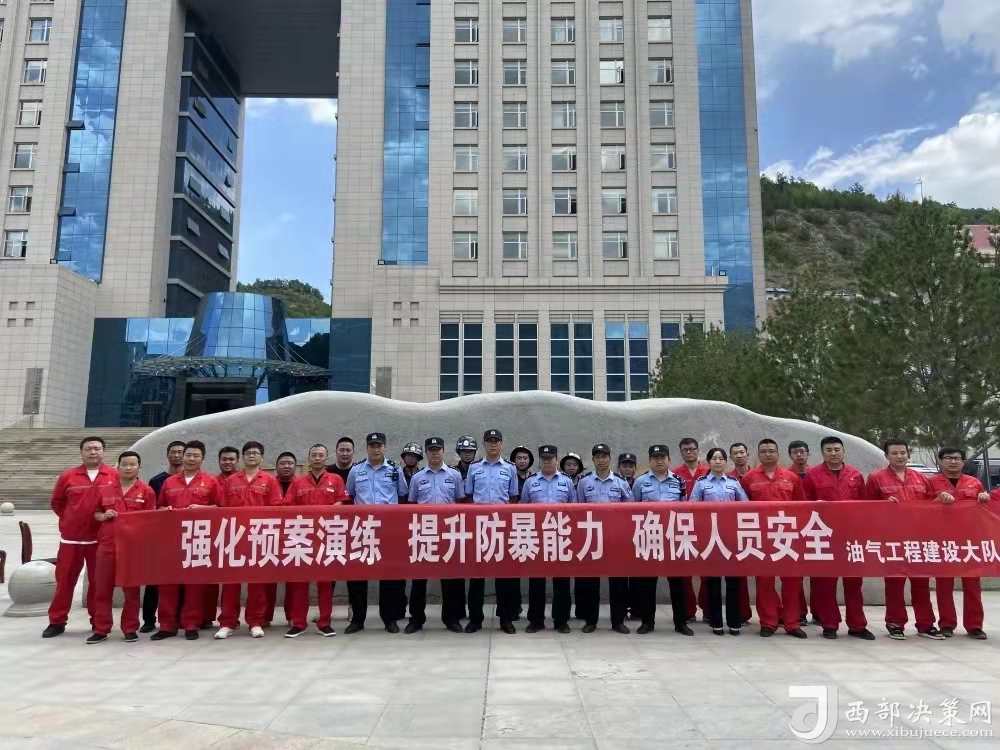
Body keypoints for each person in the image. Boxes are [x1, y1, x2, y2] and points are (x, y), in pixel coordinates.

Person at [865, 439, 944, 641]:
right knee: (894, 583)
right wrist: (883, 505)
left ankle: (926, 624)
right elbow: (867, 507)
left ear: (908, 454)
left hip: (918, 539)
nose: (899, 456)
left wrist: (941, 499)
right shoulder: (876, 478)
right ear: (886, 456)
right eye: (895, 453)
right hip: (892, 539)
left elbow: (931, 506)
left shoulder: (921, 478)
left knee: (921, 583)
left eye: (903, 453)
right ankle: (895, 624)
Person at [42, 437, 118, 639]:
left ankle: (97, 622)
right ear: (81, 452)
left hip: (100, 540)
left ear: (104, 451)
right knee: (64, 583)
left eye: (97, 448)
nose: (93, 452)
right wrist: (70, 519)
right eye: (88, 449)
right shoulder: (68, 476)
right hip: (71, 540)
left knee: (98, 584)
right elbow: (57, 502)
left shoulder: (114, 475)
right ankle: (56, 622)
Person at [802, 436, 872, 640]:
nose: (833, 453)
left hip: (851, 536)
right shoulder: (813, 475)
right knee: (826, 583)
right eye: (829, 450)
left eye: (837, 449)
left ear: (843, 451)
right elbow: (804, 505)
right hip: (825, 536)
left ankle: (857, 625)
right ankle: (829, 624)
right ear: (822, 453)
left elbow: (864, 505)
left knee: (854, 583)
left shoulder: (855, 475)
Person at [214, 442, 284, 640]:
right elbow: (222, 509)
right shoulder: (231, 480)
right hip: (234, 537)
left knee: (257, 583)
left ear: (262, 457)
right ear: (243, 457)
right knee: (231, 583)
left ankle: (255, 622)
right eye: (248, 453)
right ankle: (227, 622)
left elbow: (276, 509)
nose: (251, 456)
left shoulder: (269, 480)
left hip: (259, 537)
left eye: (255, 453)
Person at [152, 440, 221, 641]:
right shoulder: (170, 482)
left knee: (194, 585)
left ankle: (191, 624)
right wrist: (165, 510)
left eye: (196, 456)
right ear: (183, 457)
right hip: (171, 538)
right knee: (168, 584)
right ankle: (167, 625)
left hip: (198, 539)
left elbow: (220, 507)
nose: (191, 459)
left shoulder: (210, 481)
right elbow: (158, 507)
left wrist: (202, 509)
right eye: (188, 455)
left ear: (202, 459)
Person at [740, 439, 808, 639]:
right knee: (764, 581)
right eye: (764, 451)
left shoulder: (791, 477)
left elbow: (801, 506)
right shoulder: (749, 478)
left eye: (771, 450)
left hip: (787, 536)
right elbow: (742, 508)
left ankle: (792, 623)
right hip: (761, 537)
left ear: (778, 454)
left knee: (791, 582)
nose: (768, 454)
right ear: (758, 454)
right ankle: (768, 622)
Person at [89, 451, 156, 644]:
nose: (128, 468)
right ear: (118, 466)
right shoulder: (106, 489)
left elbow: (151, 520)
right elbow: (96, 513)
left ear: (139, 468)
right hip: (107, 545)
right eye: (124, 464)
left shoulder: (147, 491)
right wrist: (104, 516)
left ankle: (130, 628)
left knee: (131, 591)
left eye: (132, 464)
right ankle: (101, 629)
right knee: (102, 590)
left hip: (132, 549)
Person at [345, 432, 409, 633]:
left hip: (388, 529)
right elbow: (350, 495)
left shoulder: (394, 469)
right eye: (372, 446)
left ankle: (389, 619)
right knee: (357, 576)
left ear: (384, 447)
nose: (376, 449)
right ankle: (358, 619)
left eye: (379, 445)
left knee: (389, 576)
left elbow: (402, 494)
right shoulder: (356, 470)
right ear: (367, 448)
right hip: (362, 529)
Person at [927, 447, 991, 640]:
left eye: (957, 458)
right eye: (948, 458)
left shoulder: (974, 483)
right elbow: (921, 508)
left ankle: (974, 625)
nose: (953, 461)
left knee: (972, 584)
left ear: (963, 462)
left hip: (969, 541)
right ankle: (947, 624)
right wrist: (937, 500)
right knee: (944, 584)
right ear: (941, 461)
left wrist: (984, 498)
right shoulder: (931, 483)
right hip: (942, 540)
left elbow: (985, 510)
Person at [285, 444, 348, 637]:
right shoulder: (298, 482)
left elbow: (342, 503)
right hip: (303, 537)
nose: (318, 458)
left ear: (326, 458)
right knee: (300, 582)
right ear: (309, 459)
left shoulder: (336, 480)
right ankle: (298, 623)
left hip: (327, 536)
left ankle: (324, 622)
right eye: (314, 455)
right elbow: (288, 506)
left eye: (321, 455)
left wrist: (332, 509)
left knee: (325, 582)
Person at [405, 437, 467, 633]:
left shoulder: (454, 475)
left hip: (448, 532)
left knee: (449, 580)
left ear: (443, 451)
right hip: (424, 533)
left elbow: (460, 502)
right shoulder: (418, 478)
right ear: (426, 453)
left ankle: (451, 618)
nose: (434, 453)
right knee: (419, 579)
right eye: (431, 450)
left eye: (437, 450)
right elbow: (412, 505)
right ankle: (416, 618)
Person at [632, 444, 692, 636]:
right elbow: (633, 510)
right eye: (655, 458)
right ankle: (647, 622)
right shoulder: (640, 482)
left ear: (669, 460)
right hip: (649, 537)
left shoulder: (679, 481)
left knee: (677, 583)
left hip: (673, 538)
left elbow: (685, 509)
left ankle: (680, 623)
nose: (659, 461)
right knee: (647, 583)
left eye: (663, 457)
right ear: (650, 460)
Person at [465, 429, 520, 634]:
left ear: (502, 444)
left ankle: (505, 618)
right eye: (489, 441)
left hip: (501, 527)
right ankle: (475, 619)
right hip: (479, 528)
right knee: (476, 577)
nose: (493, 444)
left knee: (504, 577)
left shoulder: (510, 468)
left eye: (496, 441)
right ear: (484, 444)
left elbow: (513, 498)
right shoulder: (474, 468)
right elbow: (468, 497)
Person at [690, 448, 749, 635]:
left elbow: (746, 505)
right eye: (714, 459)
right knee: (713, 582)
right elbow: (692, 508)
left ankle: (734, 622)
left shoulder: (733, 483)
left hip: (731, 537)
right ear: (708, 462)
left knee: (733, 582)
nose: (718, 462)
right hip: (710, 538)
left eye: (721, 459)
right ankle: (716, 622)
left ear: (726, 462)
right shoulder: (701, 483)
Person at [576, 444, 633, 634]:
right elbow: (578, 509)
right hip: (591, 537)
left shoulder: (620, 482)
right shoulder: (584, 482)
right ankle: (591, 620)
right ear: (593, 460)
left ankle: (618, 621)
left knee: (618, 582)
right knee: (591, 582)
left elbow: (630, 509)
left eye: (604, 456)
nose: (601, 460)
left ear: (610, 458)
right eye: (597, 457)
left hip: (615, 538)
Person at [519, 445, 575, 634]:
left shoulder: (566, 482)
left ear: (556, 460)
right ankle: (536, 620)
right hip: (537, 538)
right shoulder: (531, 482)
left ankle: (561, 620)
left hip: (561, 537)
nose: (547, 461)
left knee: (562, 582)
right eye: (544, 459)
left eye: (550, 458)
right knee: (536, 581)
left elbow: (574, 509)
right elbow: (523, 509)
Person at [141, 440, 185, 633]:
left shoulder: (194, 480)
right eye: (173, 452)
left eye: (180, 452)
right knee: (154, 580)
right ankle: (149, 620)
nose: (177, 455)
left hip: (184, 537)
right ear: (167, 455)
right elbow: (152, 508)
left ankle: (179, 618)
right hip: (160, 536)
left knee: (181, 581)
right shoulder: (157, 481)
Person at [202, 446, 240, 631]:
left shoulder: (241, 481)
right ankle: (207, 617)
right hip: (212, 536)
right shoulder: (211, 482)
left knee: (233, 581)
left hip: (238, 536)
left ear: (238, 461)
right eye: (224, 459)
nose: (228, 462)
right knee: (210, 580)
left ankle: (232, 619)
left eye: (231, 459)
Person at [674, 437, 708, 621]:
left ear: (698, 450)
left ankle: (708, 610)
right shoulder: (675, 474)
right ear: (680, 452)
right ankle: (688, 611)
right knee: (684, 572)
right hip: (683, 527)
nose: (689, 452)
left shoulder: (709, 471)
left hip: (707, 527)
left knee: (708, 571)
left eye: (692, 449)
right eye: (685, 449)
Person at [788, 440, 815, 624]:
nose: (799, 455)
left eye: (802, 451)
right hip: (793, 530)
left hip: (817, 528)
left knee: (819, 574)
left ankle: (819, 613)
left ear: (808, 453)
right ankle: (800, 613)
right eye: (795, 452)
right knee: (795, 575)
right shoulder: (787, 475)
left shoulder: (816, 474)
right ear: (790, 455)